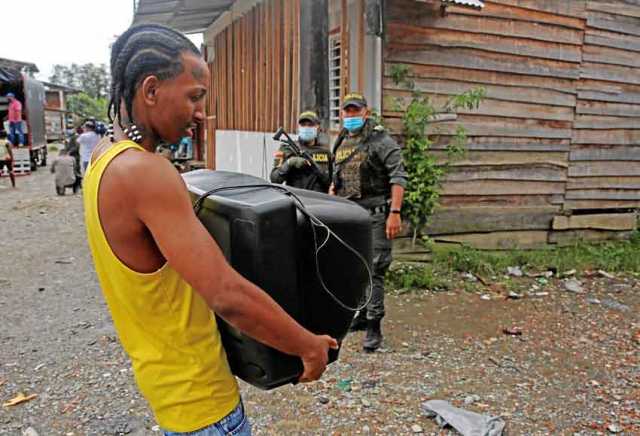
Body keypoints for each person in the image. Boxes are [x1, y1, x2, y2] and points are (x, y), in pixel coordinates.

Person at [83, 24, 337, 436]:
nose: (201, 112)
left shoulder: (102, 158)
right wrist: (306, 345)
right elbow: (226, 294)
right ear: (151, 90)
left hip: (167, 389)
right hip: (202, 403)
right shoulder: (147, 173)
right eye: (194, 96)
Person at [331, 93, 407, 353]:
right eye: (347, 111)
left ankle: (374, 327)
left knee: (374, 269)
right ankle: (361, 316)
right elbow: (337, 171)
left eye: (356, 111)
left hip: (375, 214)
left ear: (366, 112)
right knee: (354, 267)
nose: (351, 116)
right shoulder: (342, 138)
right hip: (348, 213)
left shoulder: (380, 140)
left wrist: (394, 212)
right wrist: (333, 188)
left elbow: (398, 176)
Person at [270, 111, 332, 193]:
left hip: (319, 201)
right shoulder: (287, 149)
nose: (306, 128)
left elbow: (331, 182)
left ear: (317, 127)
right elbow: (274, 179)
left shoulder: (325, 152)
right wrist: (289, 163)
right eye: (303, 125)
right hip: (297, 200)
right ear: (299, 127)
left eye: (310, 125)